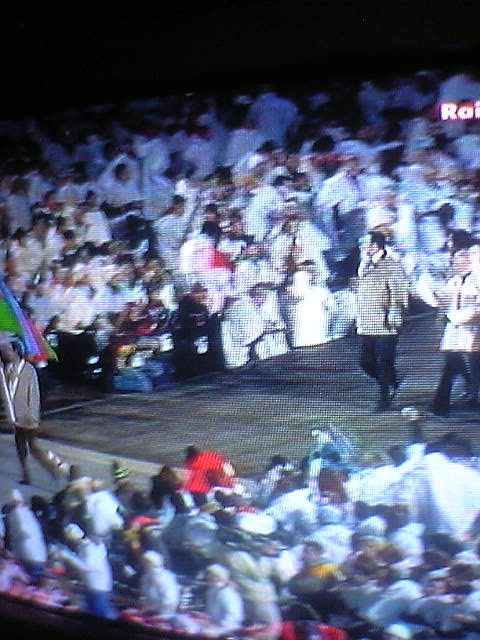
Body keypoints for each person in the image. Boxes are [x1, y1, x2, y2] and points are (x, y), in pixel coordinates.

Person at [0, 338, 65, 485]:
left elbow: (34, 395)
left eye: (7, 350)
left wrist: (33, 416)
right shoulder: (7, 370)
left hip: (28, 417)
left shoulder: (28, 370)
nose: (5, 353)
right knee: (20, 447)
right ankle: (26, 475)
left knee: (34, 448)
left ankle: (52, 468)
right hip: (16, 417)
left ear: (16, 351)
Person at [356, 231, 409, 412]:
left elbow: (399, 291)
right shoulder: (365, 265)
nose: (363, 248)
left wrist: (396, 312)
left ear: (375, 246)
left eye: (366, 244)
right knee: (365, 361)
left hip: (386, 323)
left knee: (384, 361)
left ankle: (384, 398)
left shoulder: (392, 266)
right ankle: (391, 382)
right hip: (367, 323)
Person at [431, 245, 480, 416]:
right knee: (450, 368)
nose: (455, 265)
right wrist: (428, 290)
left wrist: (455, 317)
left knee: (474, 370)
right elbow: (441, 299)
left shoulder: (476, 281)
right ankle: (440, 406)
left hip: (473, 335)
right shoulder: (454, 281)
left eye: (459, 262)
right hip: (454, 337)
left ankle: (470, 396)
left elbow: (477, 309)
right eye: (454, 262)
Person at [55, 523, 116, 619]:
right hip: (93, 587)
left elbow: (87, 567)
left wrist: (67, 556)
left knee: (103, 614)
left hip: (98, 588)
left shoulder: (88, 549)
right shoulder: (84, 547)